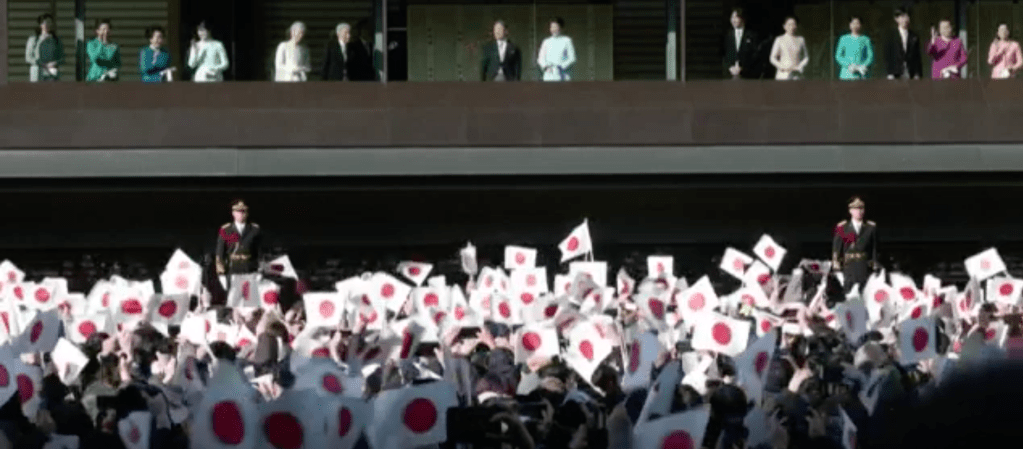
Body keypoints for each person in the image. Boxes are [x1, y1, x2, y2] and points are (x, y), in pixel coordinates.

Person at [831, 197, 877, 294]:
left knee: (865, 295)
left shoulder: (870, 228)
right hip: (848, 268)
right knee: (849, 296)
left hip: (864, 268)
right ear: (850, 211)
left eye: (861, 209)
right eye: (856, 209)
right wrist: (837, 268)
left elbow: (874, 249)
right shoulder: (842, 227)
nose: (859, 212)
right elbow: (837, 249)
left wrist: (874, 266)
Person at [215, 200, 261, 290]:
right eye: (238, 211)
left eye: (243, 212)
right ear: (233, 213)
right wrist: (221, 274)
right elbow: (220, 253)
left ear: (247, 214)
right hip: (232, 271)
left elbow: (259, 253)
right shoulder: (226, 230)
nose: (241, 214)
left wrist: (260, 271)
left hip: (250, 271)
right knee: (233, 298)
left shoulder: (254, 230)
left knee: (250, 298)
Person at [722, 8, 761, 79]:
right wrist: (729, 67)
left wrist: (743, 68)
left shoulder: (752, 35)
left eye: (736, 17)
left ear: (743, 18)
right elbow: (723, 54)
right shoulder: (727, 35)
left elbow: (755, 55)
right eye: (732, 17)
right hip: (729, 75)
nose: (733, 20)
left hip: (747, 76)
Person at [885, 8, 923, 80]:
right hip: (895, 72)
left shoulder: (914, 36)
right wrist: (890, 73)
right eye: (902, 17)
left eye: (907, 16)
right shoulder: (891, 36)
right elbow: (887, 55)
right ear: (896, 19)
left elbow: (917, 57)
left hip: (910, 72)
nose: (905, 19)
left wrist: (917, 73)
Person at [24, 14, 63, 82]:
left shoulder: (56, 40)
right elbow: (28, 57)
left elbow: (62, 57)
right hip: (37, 72)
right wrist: (40, 63)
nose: (47, 24)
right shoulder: (33, 40)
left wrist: (54, 63)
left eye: (50, 22)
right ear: (40, 24)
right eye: (45, 22)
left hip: (51, 73)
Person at [537, 17, 576, 82]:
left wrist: (561, 67)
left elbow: (572, 58)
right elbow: (540, 58)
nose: (553, 29)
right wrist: (546, 67)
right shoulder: (546, 42)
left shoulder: (567, 41)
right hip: (549, 75)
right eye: (552, 27)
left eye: (555, 27)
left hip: (563, 75)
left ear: (561, 27)